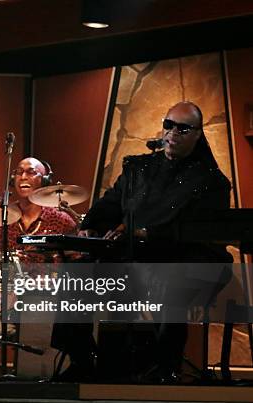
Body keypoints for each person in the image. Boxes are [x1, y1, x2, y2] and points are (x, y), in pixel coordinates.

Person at [78, 101, 232, 382]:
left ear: (198, 134)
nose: (173, 132)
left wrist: (147, 234)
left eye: (183, 128)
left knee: (172, 281)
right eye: (169, 125)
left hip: (186, 258)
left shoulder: (211, 181)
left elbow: (198, 233)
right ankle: (81, 359)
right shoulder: (139, 168)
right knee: (78, 275)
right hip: (137, 256)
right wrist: (89, 225)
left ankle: (163, 368)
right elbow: (111, 203)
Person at [0, 157, 80, 261]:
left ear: (44, 180)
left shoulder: (61, 221)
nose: (23, 177)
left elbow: (76, 263)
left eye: (31, 172)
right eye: (19, 172)